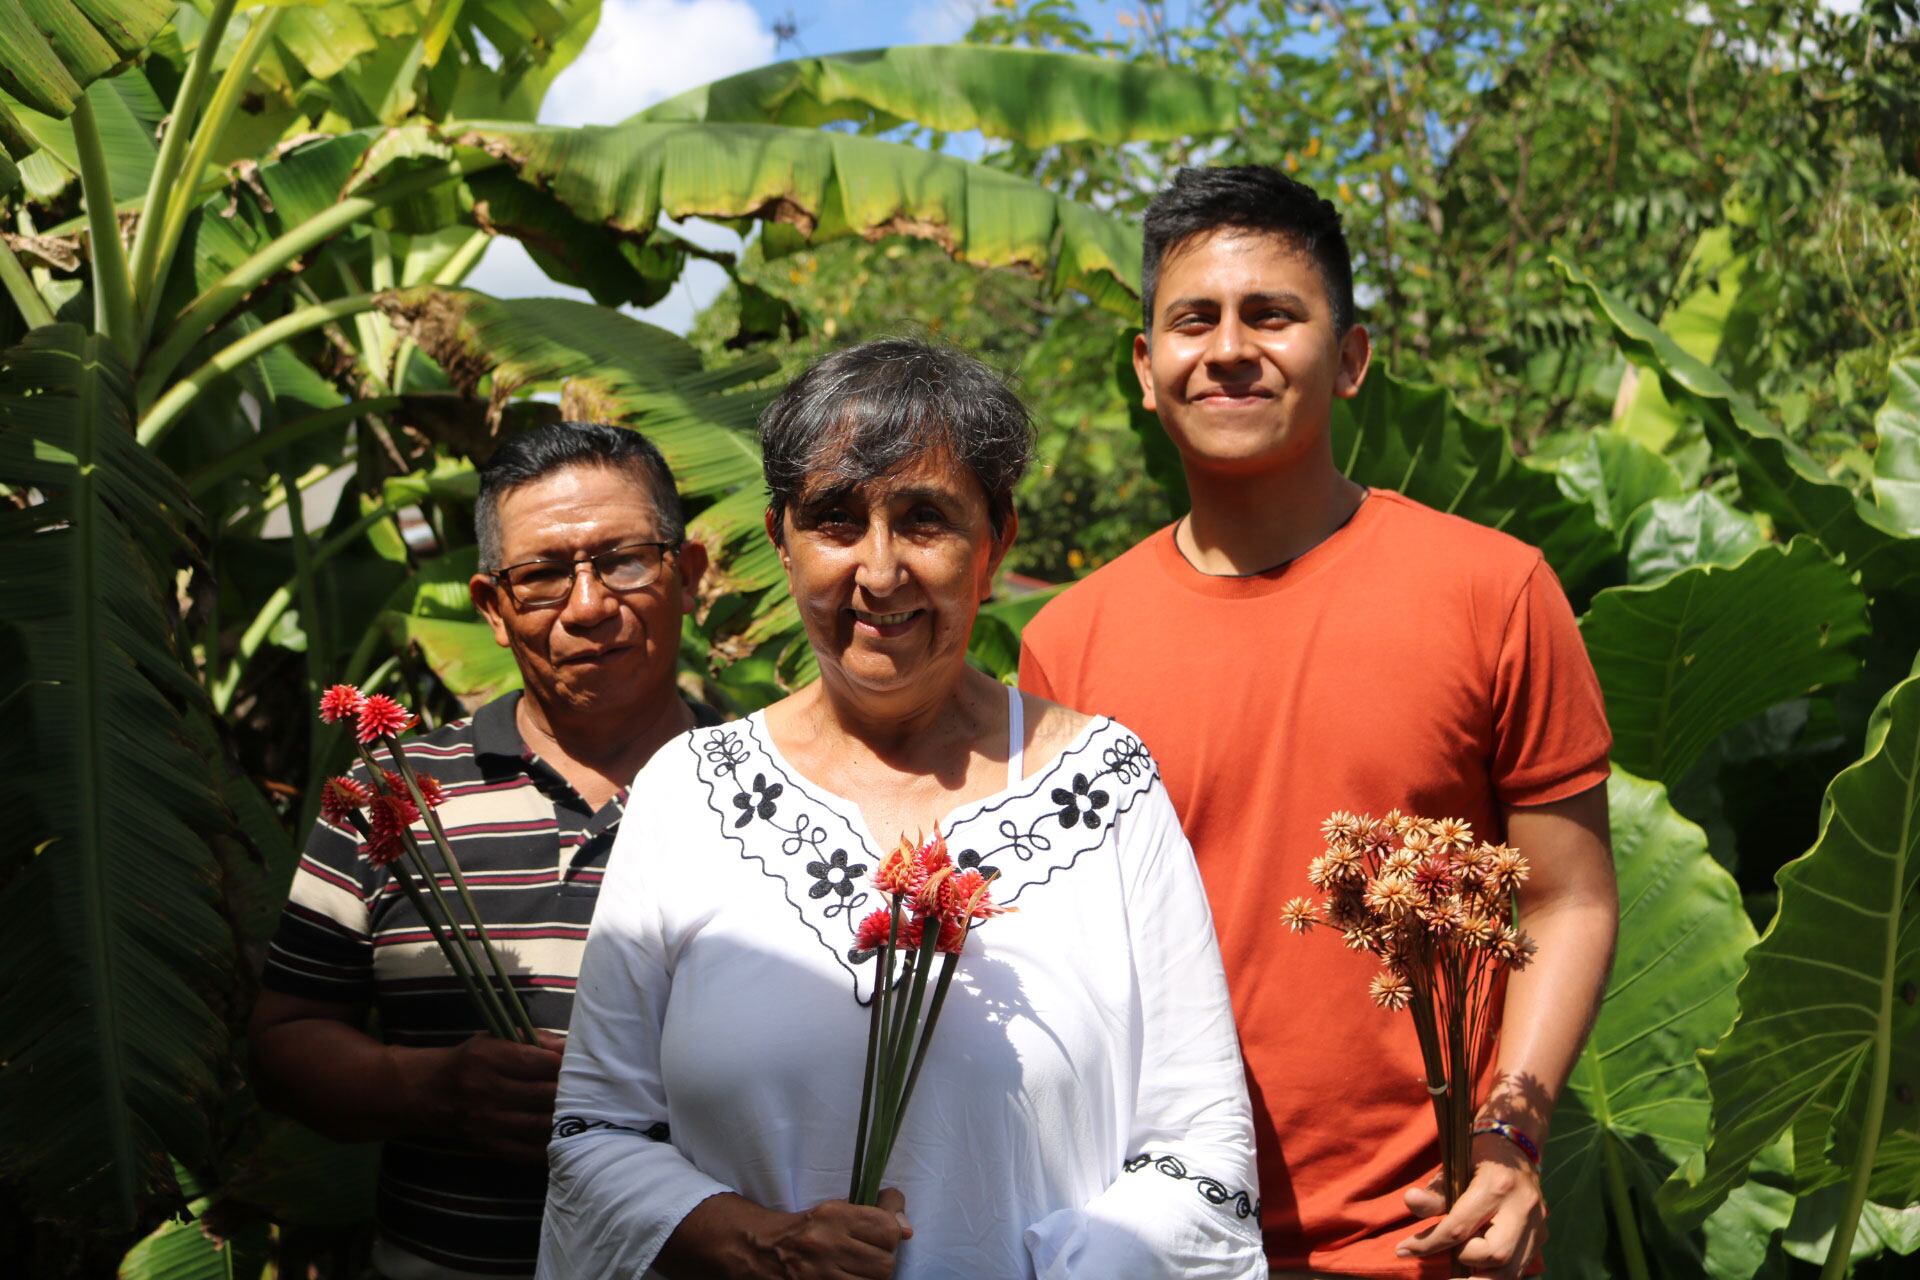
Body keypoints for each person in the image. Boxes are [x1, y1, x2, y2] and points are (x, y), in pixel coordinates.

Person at [539, 338, 1265, 1279]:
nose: (879, 573)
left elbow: (1201, 1149)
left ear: (994, 543)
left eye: (924, 520)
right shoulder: (689, 793)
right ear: (781, 540)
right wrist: (761, 1242)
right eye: (837, 520)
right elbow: (596, 1134)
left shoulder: (1106, 785)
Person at [1018, 166, 1619, 1279]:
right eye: (1194, 319)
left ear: (1349, 360)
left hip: (1433, 1241)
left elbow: (1568, 893)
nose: (1231, 347)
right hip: (1150, 1241)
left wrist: (1511, 1135)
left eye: (1273, 315)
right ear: (1147, 371)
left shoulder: (1494, 590)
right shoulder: (1070, 640)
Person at [251, 422, 718, 1280]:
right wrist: (432, 1091)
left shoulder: (776, 792)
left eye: (624, 560)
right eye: (540, 575)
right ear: (493, 610)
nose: (587, 605)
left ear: (685, 576)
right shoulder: (390, 797)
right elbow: (286, 1040)